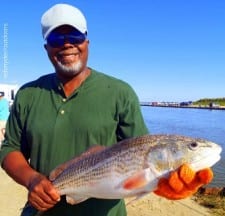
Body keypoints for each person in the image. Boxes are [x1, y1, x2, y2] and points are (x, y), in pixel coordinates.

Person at [0, 3, 213, 216]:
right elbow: (10, 148)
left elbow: (142, 153)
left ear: (86, 42)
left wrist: (165, 185)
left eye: (74, 36)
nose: (67, 45)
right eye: (56, 39)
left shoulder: (120, 92)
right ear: (46, 47)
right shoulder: (28, 93)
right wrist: (32, 180)